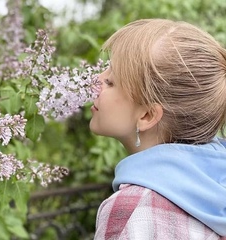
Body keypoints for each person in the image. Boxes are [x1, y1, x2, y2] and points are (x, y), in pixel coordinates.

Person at [89, 19, 226, 240]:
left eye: (111, 81)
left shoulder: (131, 211)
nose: (96, 80)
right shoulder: (217, 189)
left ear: (147, 115)